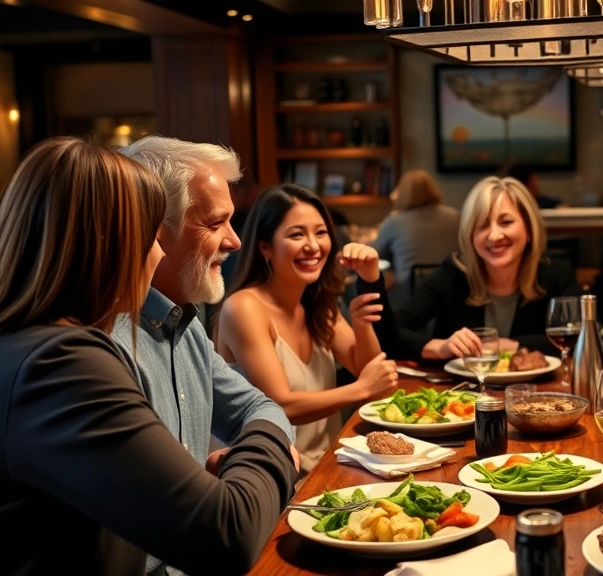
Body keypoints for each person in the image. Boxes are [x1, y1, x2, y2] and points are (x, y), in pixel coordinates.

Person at [0, 137, 296, 576]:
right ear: (103, 242)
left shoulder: (37, 345)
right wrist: (271, 449)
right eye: (146, 233)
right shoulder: (61, 362)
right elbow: (226, 535)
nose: (156, 251)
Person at [112, 136, 298, 574]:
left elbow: (263, 407)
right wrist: (264, 457)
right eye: (215, 223)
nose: (235, 241)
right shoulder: (108, 347)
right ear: (156, 230)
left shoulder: (187, 325)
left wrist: (245, 456)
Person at [217, 184, 399, 473]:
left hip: (330, 465)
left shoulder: (316, 302)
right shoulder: (243, 308)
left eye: (321, 232)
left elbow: (369, 373)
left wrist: (362, 322)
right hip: (273, 476)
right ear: (265, 246)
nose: (313, 245)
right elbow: (282, 405)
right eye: (296, 234)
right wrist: (361, 388)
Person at [385, 176, 582, 361]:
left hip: (538, 394)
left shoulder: (556, 274)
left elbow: (584, 337)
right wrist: (439, 347)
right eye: (482, 225)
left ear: (529, 229)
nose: (494, 236)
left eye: (506, 222)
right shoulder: (453, 274)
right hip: (462, 394)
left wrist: (510, 345)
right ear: (470, 236)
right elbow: (391, 333)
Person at [372, 169, 460, 305]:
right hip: (452, 289)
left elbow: (374, 251)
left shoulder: (395, 221)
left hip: (409, 293)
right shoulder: (454, 216)